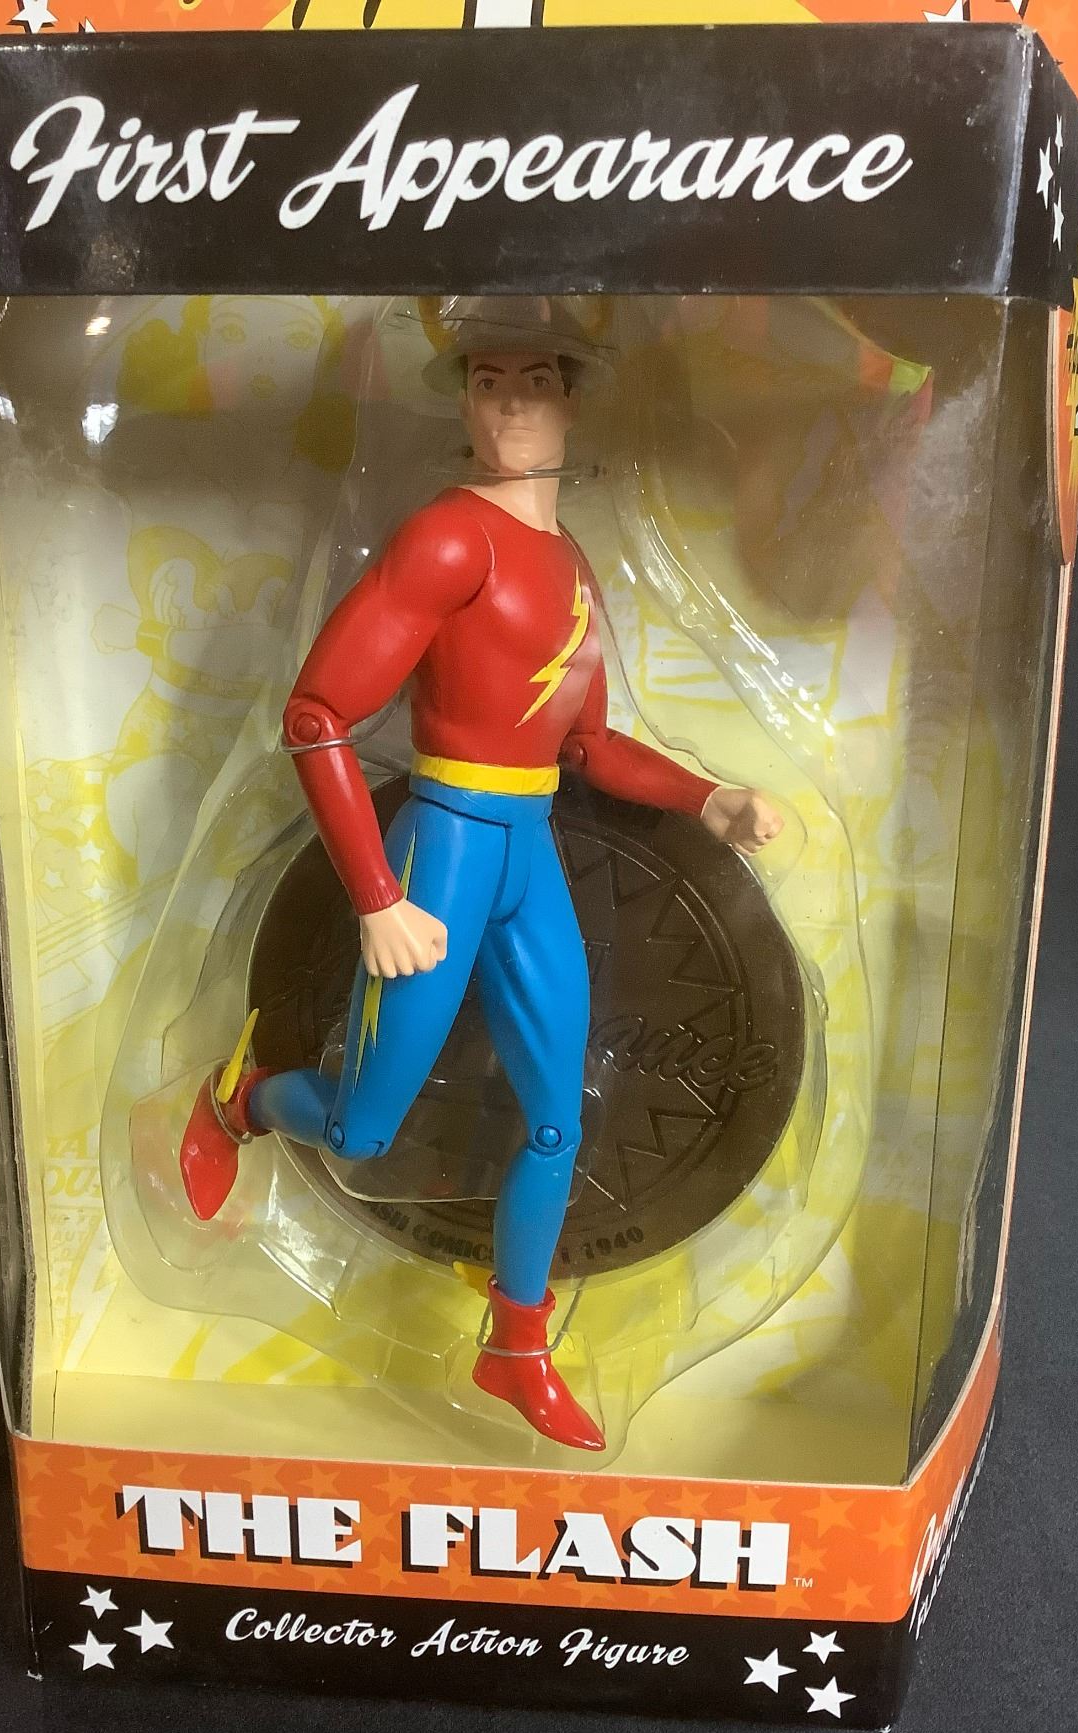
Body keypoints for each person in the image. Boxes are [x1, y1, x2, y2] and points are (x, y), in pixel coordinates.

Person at [180, 300, 783, 1451]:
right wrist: (378, 896)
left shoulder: (572, 565)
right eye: (488, 380)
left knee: (557, 1124)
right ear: (463, 399)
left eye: (534, 380)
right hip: (444, 845)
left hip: (527, 846)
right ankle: (240, 1100)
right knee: (362, 1129)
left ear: (570, 400)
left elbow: (587, 745)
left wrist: (708, 798)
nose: (509, 402)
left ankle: (515, 1345)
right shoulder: (450, 540)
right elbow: (316, 716)